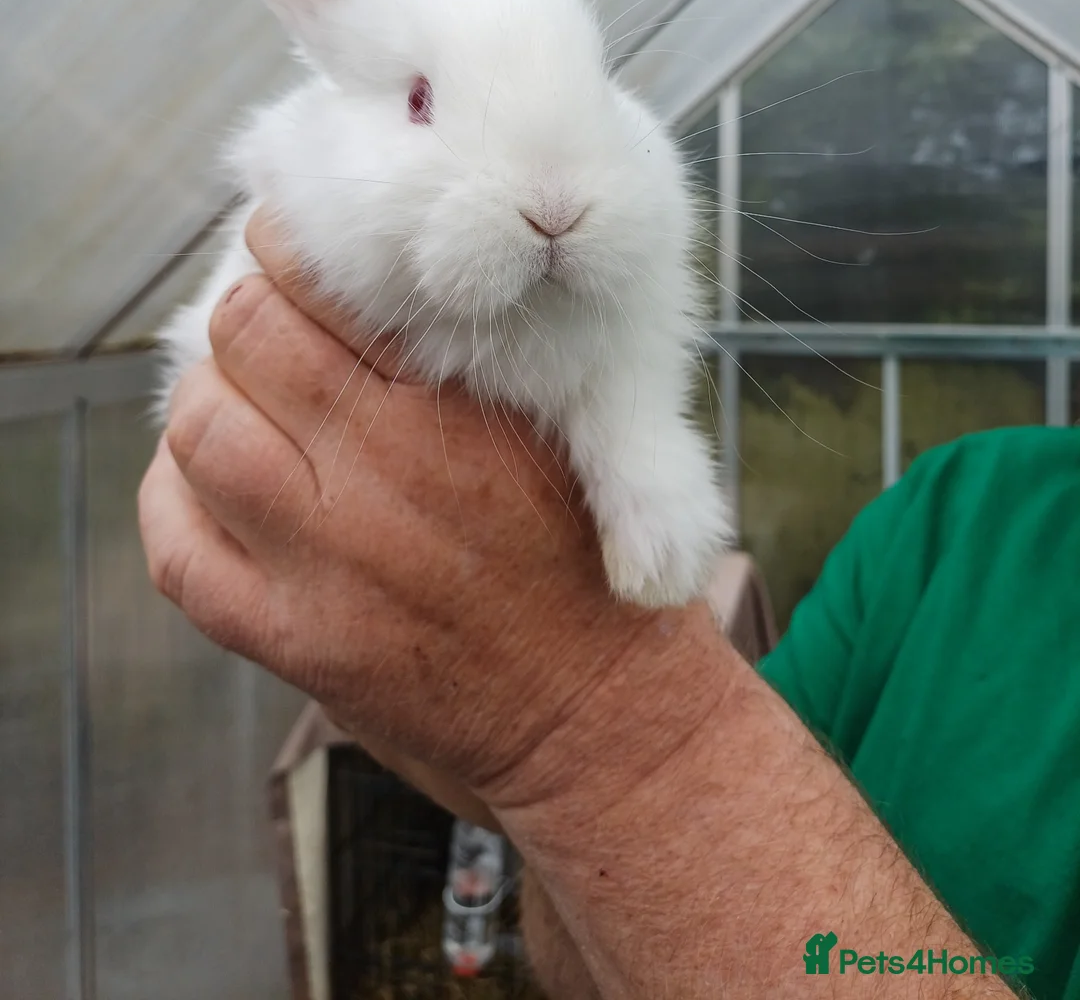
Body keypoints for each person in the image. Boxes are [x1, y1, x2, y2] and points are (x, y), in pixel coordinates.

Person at [138, 211, 1080, 998]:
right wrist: (462, 714)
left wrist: (594, 717)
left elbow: (647, 788)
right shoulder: (957, 509)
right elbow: (609, 933)